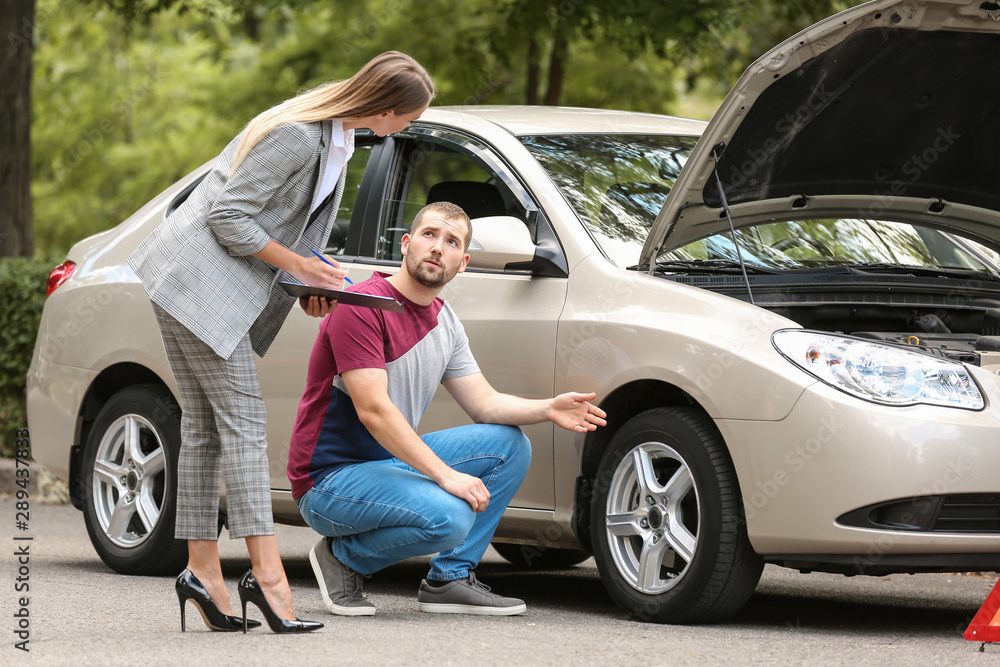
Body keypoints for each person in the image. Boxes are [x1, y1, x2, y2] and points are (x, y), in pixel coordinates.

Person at [127, 51, 435, 633]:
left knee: (204, 428)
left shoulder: (336, 142)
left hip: (199, 284)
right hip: (195, 282)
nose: (408, 130)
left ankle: (202, 571)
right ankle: (267, 576)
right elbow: (229, 218)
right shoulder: (299, 135)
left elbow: (280, 233)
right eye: (410, 119)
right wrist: (301, 266)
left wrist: (312, 282)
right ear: (387, 109)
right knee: (243, 422)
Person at [288, 201, 607, 616]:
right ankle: (342, 561)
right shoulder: (361, 306)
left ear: (463, 262)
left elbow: (485, 403)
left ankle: (450, 579)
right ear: (405, 245)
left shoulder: (445, 320)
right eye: (429, 235)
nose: (438, 247)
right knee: (451, 517)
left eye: (451, 241)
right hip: (328, 482)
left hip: (385, 467)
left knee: (510, 444)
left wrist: (548, 408)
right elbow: (373, 411)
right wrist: (446, 476)